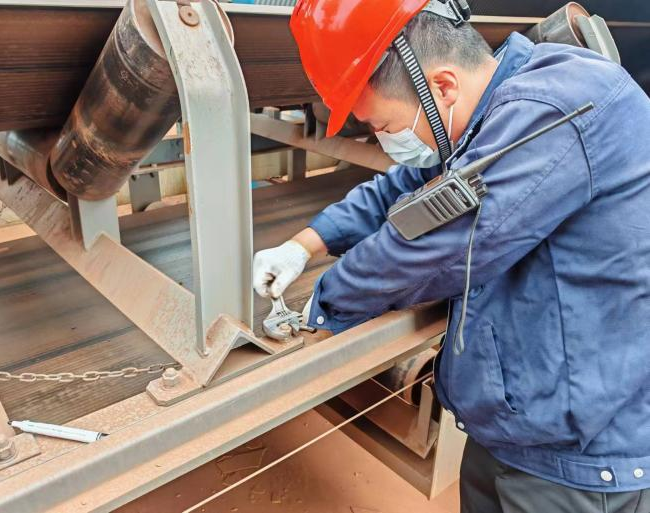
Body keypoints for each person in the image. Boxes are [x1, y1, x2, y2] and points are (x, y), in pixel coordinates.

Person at [253, 0, 650, 511]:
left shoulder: (555, 110)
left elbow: (435, 248)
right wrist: (303, 244)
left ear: (441, 87)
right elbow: (399, 187)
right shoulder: (492, 106)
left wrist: (326, 302)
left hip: (578, 462)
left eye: (383, 126)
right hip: (511, 429)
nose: (384, 141)